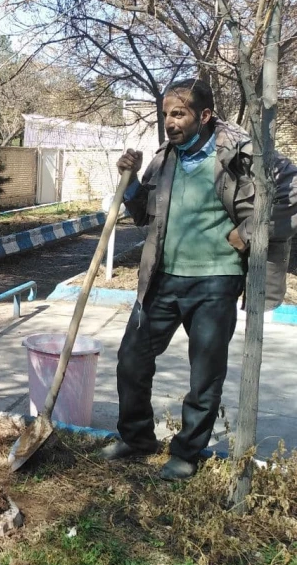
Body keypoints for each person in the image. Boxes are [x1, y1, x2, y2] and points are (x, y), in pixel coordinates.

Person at [102, 79, 297, 480]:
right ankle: (137, 437)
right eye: (166, 115)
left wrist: (246, 233)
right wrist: (132, 180)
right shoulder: (166, 158)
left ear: (203, 115)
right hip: (163, 278)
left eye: (179, 113)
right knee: (131, 359)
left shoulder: (240, 153)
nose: (169, 122)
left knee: (204, 373)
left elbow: (289, 192)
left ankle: (187, 452)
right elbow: (142, 215)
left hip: (216, 279)